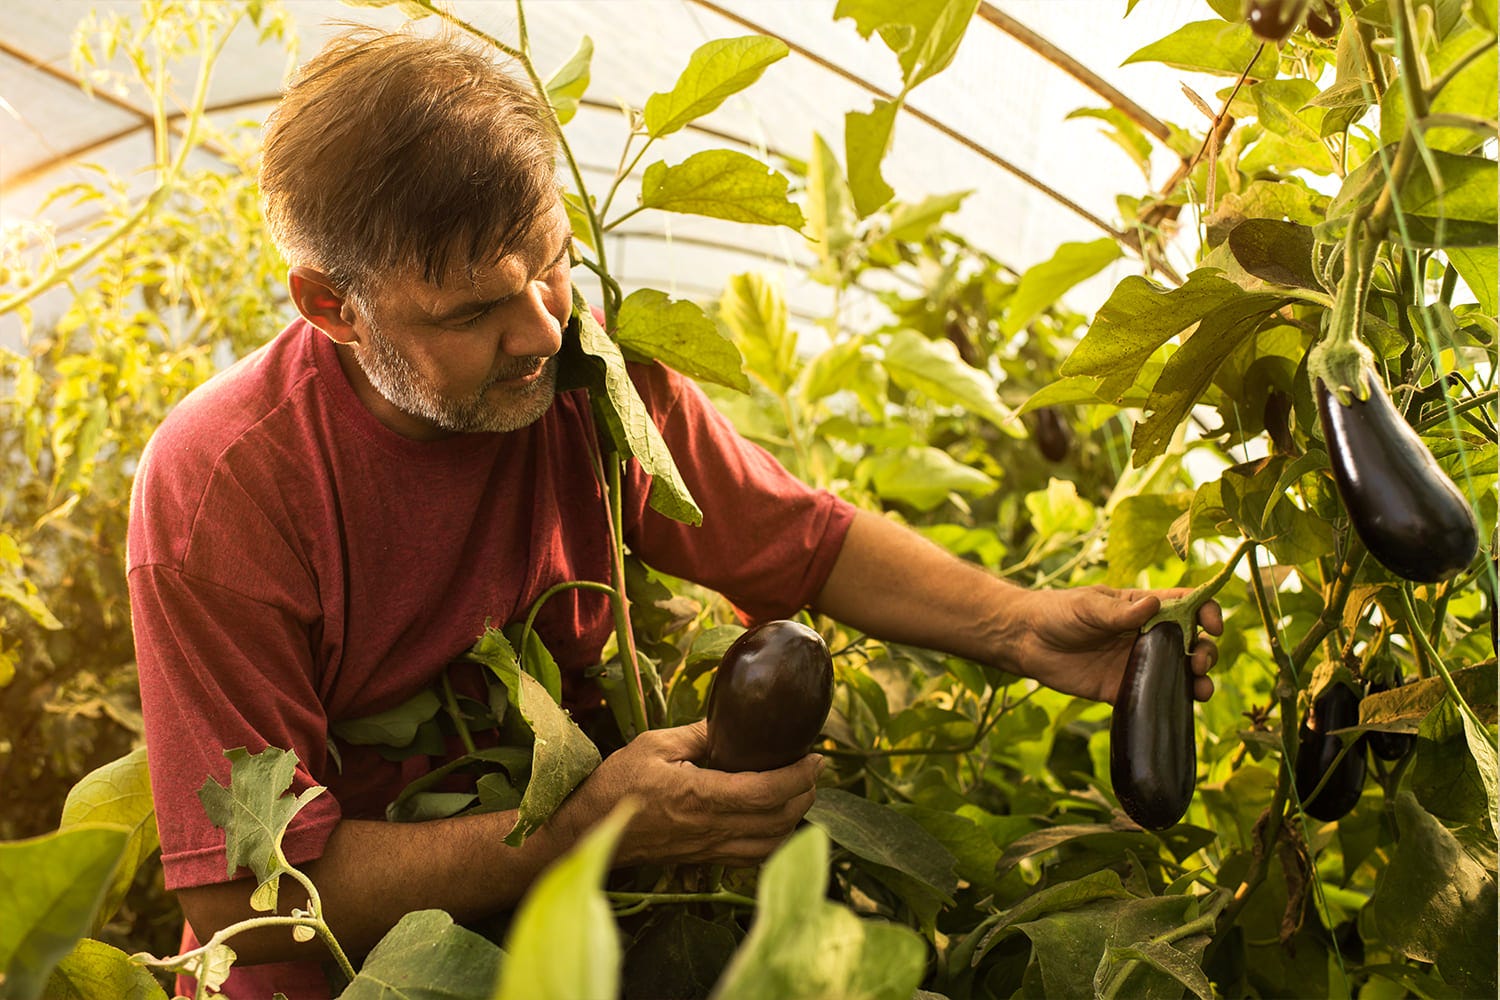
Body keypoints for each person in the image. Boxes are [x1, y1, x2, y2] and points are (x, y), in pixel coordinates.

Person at [127, 26, 1222, 999]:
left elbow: (796, 537)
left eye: (549, 264)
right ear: (332, 306)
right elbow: (250, 902)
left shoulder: (581, 368)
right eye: (470, 312)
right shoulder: (224, 491)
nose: (540, 331)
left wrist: (1024, 627)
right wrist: (584, 828)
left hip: (583, 942)